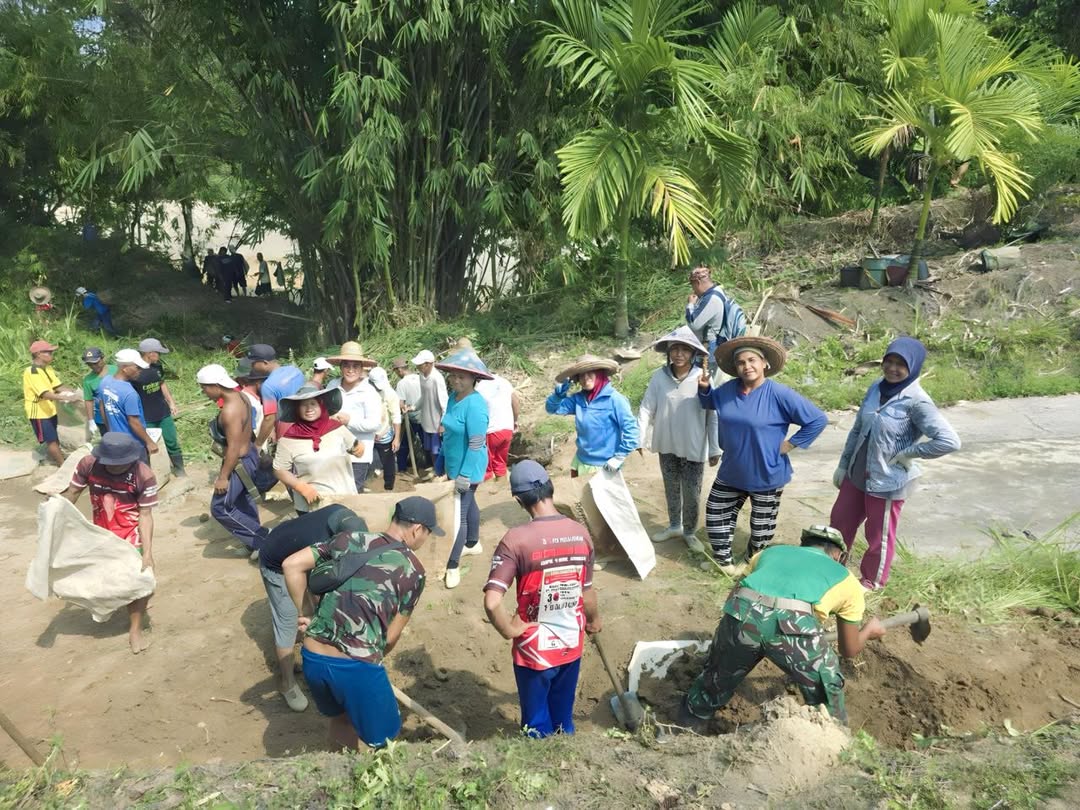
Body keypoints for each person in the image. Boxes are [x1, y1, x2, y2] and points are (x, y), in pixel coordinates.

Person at [678, 525, 886, 728]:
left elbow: (733, 598)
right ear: (840, 556)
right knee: (827, 690)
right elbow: (849, 649)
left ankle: (688, 724)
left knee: (714, 680)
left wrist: (729, 644)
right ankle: (833, 731)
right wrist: (869, 630)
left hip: (743, 612)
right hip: (794, 625)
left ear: (802, 545)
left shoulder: (769, 553)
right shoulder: (847, 580)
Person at [282, 495, 440, 750]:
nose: (425, 540)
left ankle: (338, 767)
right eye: (428, 533)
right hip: (356, 667)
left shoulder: (348, 539)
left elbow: (291, 565)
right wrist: (367, 666)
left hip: (313, 657)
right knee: (385, 740)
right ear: (417, 529)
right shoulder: (414, 571)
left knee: (341, 720)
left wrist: (308, 614)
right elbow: (390, 638)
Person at [830, 337, 960, 590]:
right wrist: (844, 464)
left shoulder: (917, 401)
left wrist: (909, 453)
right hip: (856, 473)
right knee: (839, 523)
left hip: (887, 480)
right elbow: (857, 429)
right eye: (888, 361)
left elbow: (949, 441)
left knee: (878, 536)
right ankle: (832, 571)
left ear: (914, 366)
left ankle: (871, 582)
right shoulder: (876, 388)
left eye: (900, 364)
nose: (892, 368)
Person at [483, 460, 601, 737]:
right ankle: (565, 753)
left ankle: (539, 756)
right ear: (551, 488)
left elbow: (492, 601)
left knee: (535, 724)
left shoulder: (516, 540)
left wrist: (508, 630)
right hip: (570, 643)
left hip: (533, 650)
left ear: (518, 500)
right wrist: (594, 620)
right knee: (563, 719)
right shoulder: (580, 533)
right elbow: (587, 593)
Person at [698, 337, 827, 576]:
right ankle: (724, 563)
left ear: (764, 363)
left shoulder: (779, 394)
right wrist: (705, 389)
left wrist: (790, 444)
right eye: (741, 362)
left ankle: (751, 566)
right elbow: (710, 403)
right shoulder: (727, 391)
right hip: (732, 470)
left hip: (767, 473)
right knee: (716, 514)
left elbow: (817, 419)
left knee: (761, 528)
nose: (747, 366)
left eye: (752, 360)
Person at [258, 505, 368, 712]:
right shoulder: (321, 541)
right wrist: (305, 611)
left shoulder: (346, 518)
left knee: (318, 606)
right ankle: (287, 683)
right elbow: (295, 569)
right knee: (289, 621)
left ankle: (313, 650)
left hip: (296, 551)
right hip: (277, 563)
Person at [63, 433, 158, 654]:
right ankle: (125, 602)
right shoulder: (88, 464)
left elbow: (145, 515)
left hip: (131, 533)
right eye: (110, 463)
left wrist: (147, 551)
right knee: (108, 576)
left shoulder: (143, 475)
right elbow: (73, 492)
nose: (115, 467)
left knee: (140, 577)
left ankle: (135, 629)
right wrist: (58, 515)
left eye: (120, 463)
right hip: (101, 532)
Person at [638, 326, 719, 553]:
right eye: (675, 349)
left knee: (692, 492)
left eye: (685, 349)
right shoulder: (659, 377)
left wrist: (714, 448)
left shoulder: (702, 378)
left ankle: (690, 531)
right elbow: (646, 408)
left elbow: (713, 414)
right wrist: (639, 439)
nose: (679, 354)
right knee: (671, 487)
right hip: (667, 443)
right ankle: (674, 525)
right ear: (668, 352)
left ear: (693, 353)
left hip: (693, 445)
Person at [434, 346, 491, 589]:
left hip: (470, 465)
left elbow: (476, 443)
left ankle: (453, 564)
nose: (456, 380)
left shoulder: (476, 405)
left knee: (458, 514)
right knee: (469, 504)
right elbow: (448, 432)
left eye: (462, 376)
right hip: (453, 462)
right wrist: (441, 460)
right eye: (453, 375)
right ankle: (473, 542)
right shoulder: (452, 397)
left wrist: (464, 475)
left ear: (473, 378)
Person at [198, 364, 269, 552]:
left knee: (220, 507)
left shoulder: (229, 411)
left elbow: (234, 447)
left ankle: (263, 540)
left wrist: (223, 477)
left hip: (238, 462)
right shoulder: (242, 397)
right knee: (243, 500)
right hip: (249, 454)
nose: (204, 393)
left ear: (216, 386)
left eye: (204, 388)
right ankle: (252, 545)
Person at [273, 386, 364, 513]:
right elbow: (280, 470)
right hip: (311, 504)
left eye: (313, 403)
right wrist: (300, 487)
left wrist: (359, 448)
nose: (309, 408)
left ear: (321, 405)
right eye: (303, 405)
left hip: (344, 498)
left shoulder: (337, 428)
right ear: (297, 409)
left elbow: (355, 448)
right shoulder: (288, 439)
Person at [545, 354, 638, 478]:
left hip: (605, 464)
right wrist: (557, 396)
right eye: (581, 375)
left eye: (590, 373)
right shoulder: (578, 399)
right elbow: (552, 409)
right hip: (580, 461)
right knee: (578, 491)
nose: (585, 378)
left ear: (600, 373)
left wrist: (619, 457)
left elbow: (631, 430)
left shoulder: (615, 400)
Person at [325, 342, 382, 492]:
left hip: (358, 454)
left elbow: (375, 424)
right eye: (346, 366)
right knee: (334, 491)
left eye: (355, 366)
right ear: (341, 367)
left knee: (353, 492)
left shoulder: (369, 392)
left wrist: (349, 421)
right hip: (333, 451)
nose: (351, 370)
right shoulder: (332, 386)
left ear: (362, 368)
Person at [133, 338, 185, 476]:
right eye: (158, 353)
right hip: (146, 416)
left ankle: (180, 470)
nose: (160, 356)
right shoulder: (134, 371)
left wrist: (171, 402)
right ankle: (150, 474)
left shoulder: (157, 367)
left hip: (163, 412)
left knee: (172, 441)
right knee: (149, 445)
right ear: (150, 353)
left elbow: (162, 384)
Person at [98, 349, 159, 462]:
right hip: (133, 445)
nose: (140, 371)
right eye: (137, 367)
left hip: (116, 441)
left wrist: (110, 430)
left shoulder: (105, 382)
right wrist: (149, 442)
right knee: (139, 472)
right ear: (125, 368)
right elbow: (134, 422)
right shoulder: (129, 393)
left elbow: (102, 407)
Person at [24, 340, 79, 465]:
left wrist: (74, 392)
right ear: (38, 354)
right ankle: (61, 464)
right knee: (51, 440)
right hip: (39, 412)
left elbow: (57, 386)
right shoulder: (32, 372)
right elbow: (44, 394)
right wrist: (65, 398)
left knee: (55, 435)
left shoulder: (47, 368)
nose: (51, 354)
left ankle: (58, 457)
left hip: (50, 409)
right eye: (48, 352)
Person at [248, 344, 305, 447]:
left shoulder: (268, 386)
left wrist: (258, 444)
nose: (251, 366)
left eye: (253, 363)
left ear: (265, 363)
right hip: (307, 424)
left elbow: (269, 419)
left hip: (288, 433)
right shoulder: (295, 371)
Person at [685, 266, 746, 355]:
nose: (693, 290)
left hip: (710, 347)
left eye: (692, 285)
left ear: (698, 282)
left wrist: (690, 304)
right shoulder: (717, 290)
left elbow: (694, 325)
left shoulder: (711, 299)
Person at [477, 368, 520, 487]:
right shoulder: (504, 382)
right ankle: (502, 487)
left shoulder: (480, 387)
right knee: (500, 461)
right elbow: (516, 401)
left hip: (491, 430)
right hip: (507, 428)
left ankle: (488, 490)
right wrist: (515, 420)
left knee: (486, 464)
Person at [411, 349, 448, 475]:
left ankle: (441, 472)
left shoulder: (437, 378)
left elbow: (444, 402)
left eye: (420, 364)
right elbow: (424, 396)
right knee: (430, 449)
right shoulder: (422, 376)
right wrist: (413, 407)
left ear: (428, 364)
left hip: (436, 421)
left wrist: (443, 422)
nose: (417, 367)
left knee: (437, 450)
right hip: (426, 419)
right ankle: (435, 469)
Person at [366, 367, 402, 492]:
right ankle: (363, 485)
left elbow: (396, 416)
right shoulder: (363, 390)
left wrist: (396, 438)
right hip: (366, 434)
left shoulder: (390, 393)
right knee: (364, 461)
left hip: (384, 434)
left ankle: (389, 487)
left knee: (388, 462)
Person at [392, 356, 423, 472]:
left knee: (404, 445)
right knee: (427, 444)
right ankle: (431, 467)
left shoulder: (402, 383)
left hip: (411, 418)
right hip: (424, 417)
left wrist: (401, 409)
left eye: (396, 371)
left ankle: (402, 469)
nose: (397, 374)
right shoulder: (421, 378)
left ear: (399, 370)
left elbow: (400, 404)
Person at [81, 347, 117, 441]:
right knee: (109, 442)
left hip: (118, 415)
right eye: (90, 364)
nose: (93, 366)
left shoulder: (115, 370)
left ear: (102, 358)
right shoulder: (88, 380)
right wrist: (91, 420)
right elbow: (88, 400)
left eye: (95, 363)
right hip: (101, 419)